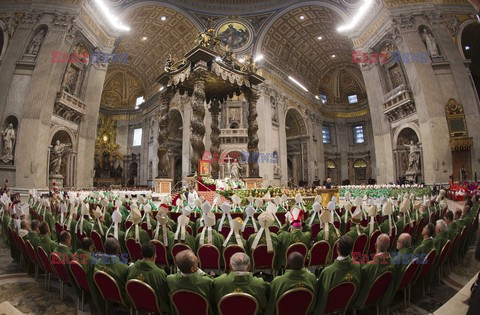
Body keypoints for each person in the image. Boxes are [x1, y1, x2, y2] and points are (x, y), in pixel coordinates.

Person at [314, 235, 362, 314]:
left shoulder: (328, 271)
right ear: (352, 250)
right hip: (347, 304)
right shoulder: (357, 266)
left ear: (337, 248)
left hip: (328, 307)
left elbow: (320, 295)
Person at [352, 234, 395, 310]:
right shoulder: (392, 261)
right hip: (380, 293)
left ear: (375, 245)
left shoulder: (369, 267)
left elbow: (359, 283)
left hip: (365, 297)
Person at [127, 242, 170, 315]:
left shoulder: (131, 268)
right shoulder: (160, 274)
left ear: (141, 254)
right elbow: (165, 295)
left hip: (136, 301)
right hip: (155, 306)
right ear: (154, 256)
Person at [166, 250, 213, 315]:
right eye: (197, 262)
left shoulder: (170, 279)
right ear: (192, 269)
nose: (198, 262)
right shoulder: (206, 282)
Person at [90, 237, 129, 314]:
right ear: (117, 251)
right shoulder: (124, 268)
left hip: (104, 293)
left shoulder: (97, 263)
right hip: (121, 297)